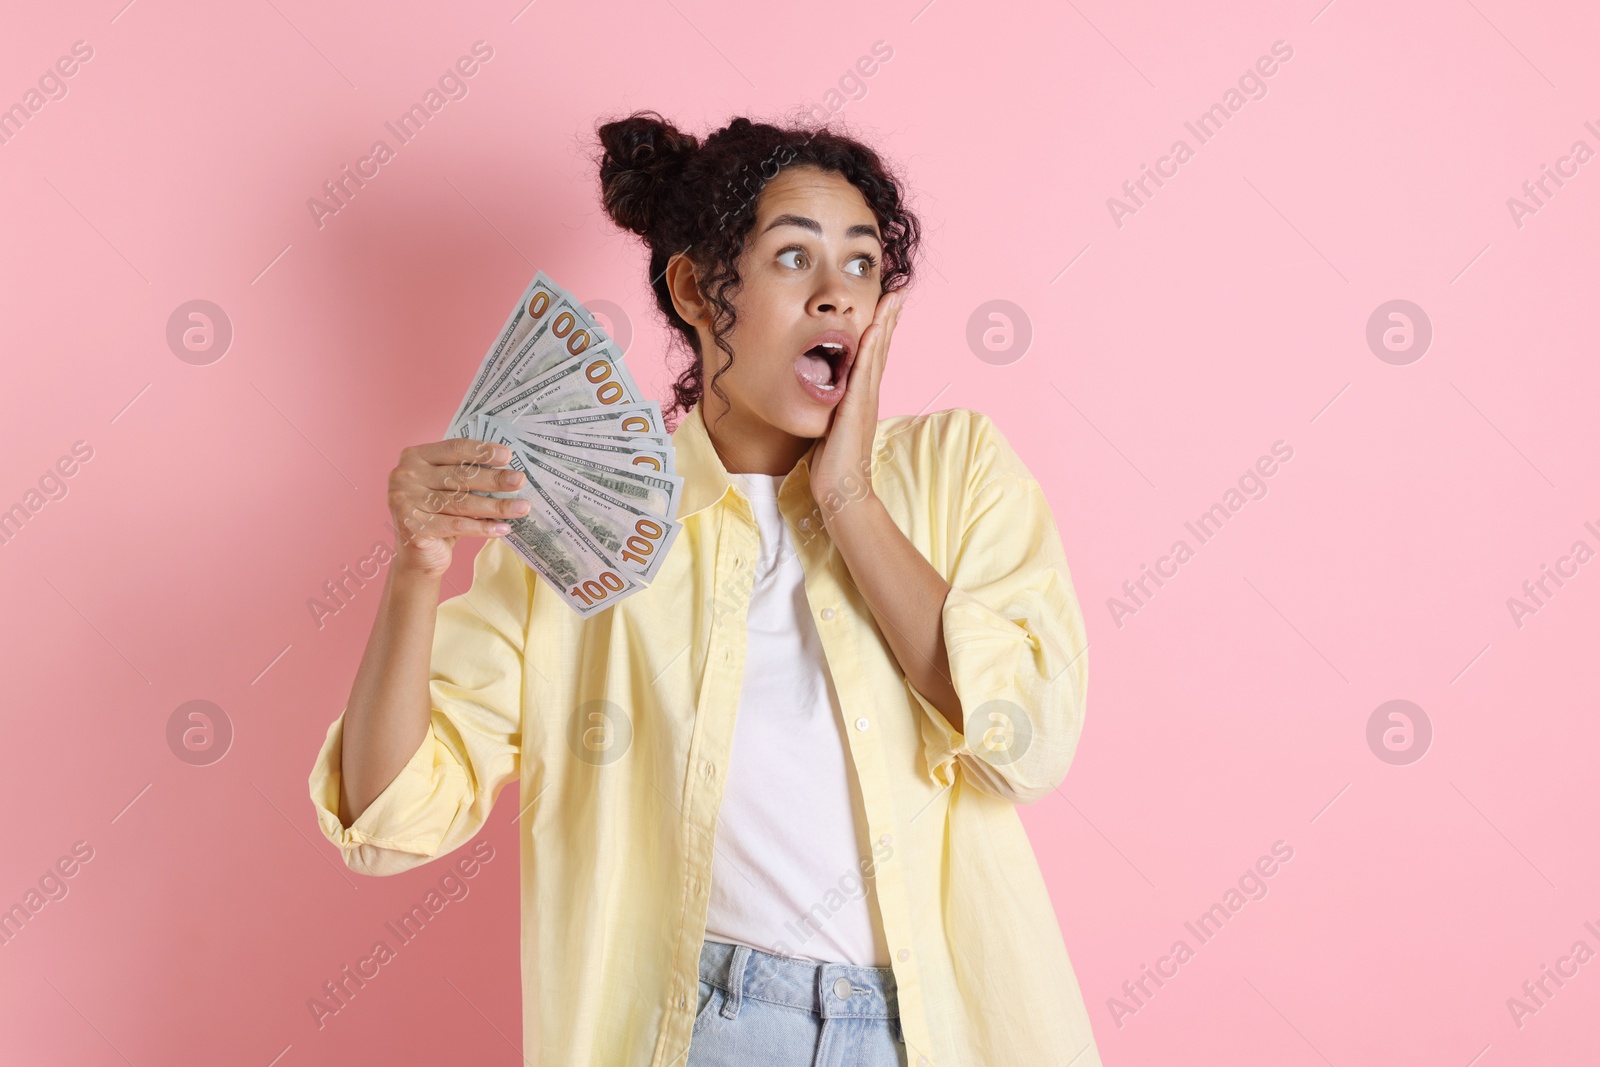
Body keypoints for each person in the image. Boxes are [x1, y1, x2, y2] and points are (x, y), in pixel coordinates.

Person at [306, 110, 1101, 1067]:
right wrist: (416, 573)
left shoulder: (956, 472)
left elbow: (1027, 744)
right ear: (694, 287)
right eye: (793, 258)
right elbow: (392, 819)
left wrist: (849, 496)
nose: (837, 296)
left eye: (860, 264)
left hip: (934, 1031)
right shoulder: (581, 522)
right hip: (707, 1033)